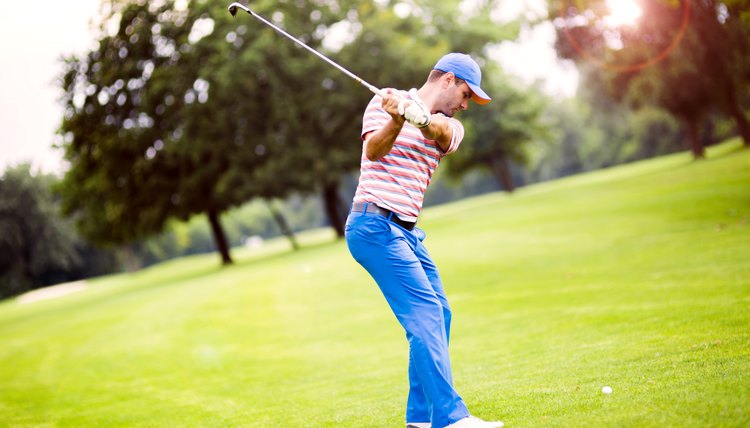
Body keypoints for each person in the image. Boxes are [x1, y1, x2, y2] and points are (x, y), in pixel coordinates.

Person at [344, 53, 503, 428]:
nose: (466, 104)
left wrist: (422, 118)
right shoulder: (383, 101)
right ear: (448, 80)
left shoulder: (451, 126)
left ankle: (420, 418)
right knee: (426, 315)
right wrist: (398, 118)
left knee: (440, 313)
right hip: (373, 225)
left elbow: (441, 135)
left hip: (407, 233)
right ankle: (451, 418)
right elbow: (373, 151)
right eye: (466, 94)